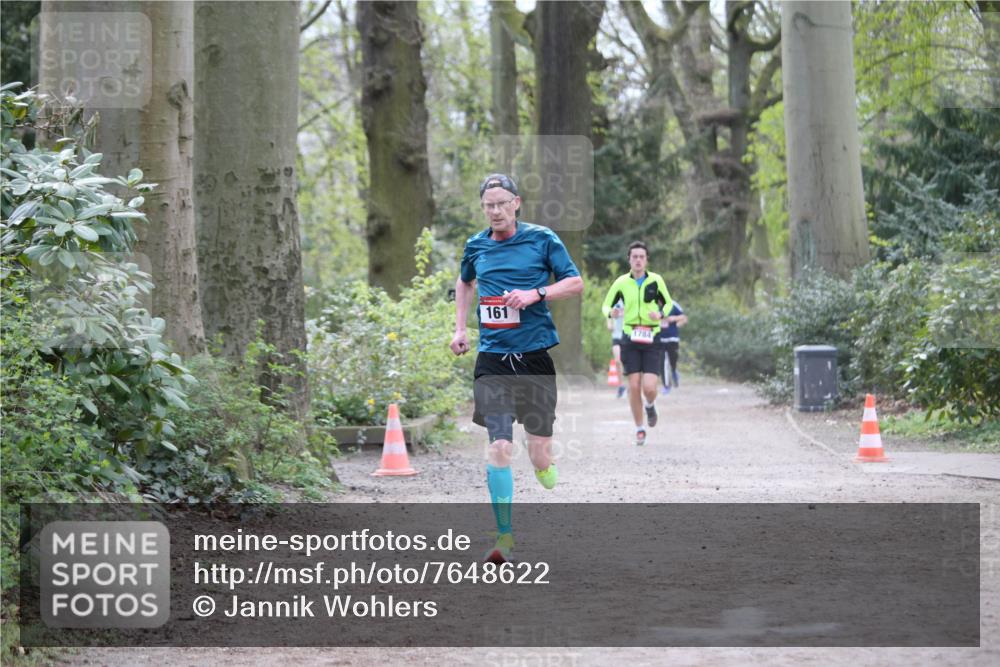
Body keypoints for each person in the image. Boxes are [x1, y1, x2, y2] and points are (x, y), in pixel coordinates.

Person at [450, 173, 584, 563]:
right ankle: (503, 536)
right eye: (487, 205)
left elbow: (574, 282)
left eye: (500, 203)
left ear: (516, 203)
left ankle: (544, 464)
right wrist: (460, 328)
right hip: (492, 359)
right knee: (500, 445)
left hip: (535, 357)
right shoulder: (476, 245)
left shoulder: (542, 239)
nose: (494, 211)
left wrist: (535, 294)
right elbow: (464, 284)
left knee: (538, 453)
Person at [601, 241, 672, 446]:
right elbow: (606, 305)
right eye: (635, 257)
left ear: (646, 259)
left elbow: (667, 303)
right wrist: (611, 313)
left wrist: (659, 313)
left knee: (649, 387)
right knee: (633, 386)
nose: (638, 260)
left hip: (652, 336)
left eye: (642, 256)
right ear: (629, 260)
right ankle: (640, 428)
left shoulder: (656, 280)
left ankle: (650, 405)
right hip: (630, 337)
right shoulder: (621, 282)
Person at [656, 301, 688, 395]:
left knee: (673, 360)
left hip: (672, 338)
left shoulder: (673, 304)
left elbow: (684, 318)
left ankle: (674, 371)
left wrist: (674, 319)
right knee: (662, 362)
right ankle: (666, 385)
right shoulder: (652, 305)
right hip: (660, 338)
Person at [607, 299, 626, 398]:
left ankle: (633, 385)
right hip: (616, 336)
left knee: (629, 362)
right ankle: (621, 386)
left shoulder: (631, 299)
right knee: (617, 361)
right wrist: (609, 323)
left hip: (628, 335)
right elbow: (608, 313)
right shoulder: (613, 301)